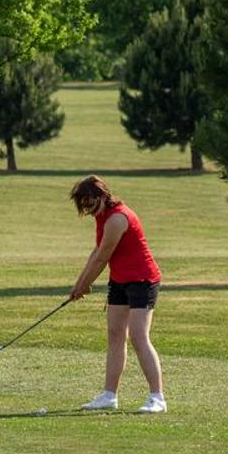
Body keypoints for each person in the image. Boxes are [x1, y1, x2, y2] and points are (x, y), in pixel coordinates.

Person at [68, 175, 166, 414]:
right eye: (84, 206)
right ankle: (109, 395)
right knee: (115, 334)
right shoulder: (102, 216)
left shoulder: (117, 218)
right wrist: (79, 284)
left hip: (142, 280)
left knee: (139, 336)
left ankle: (157, 398)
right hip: (120, 279)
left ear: (102, 196)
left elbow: (103, 258)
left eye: (90, 203)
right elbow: (97, 251)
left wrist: (85, 285)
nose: (88, 210)